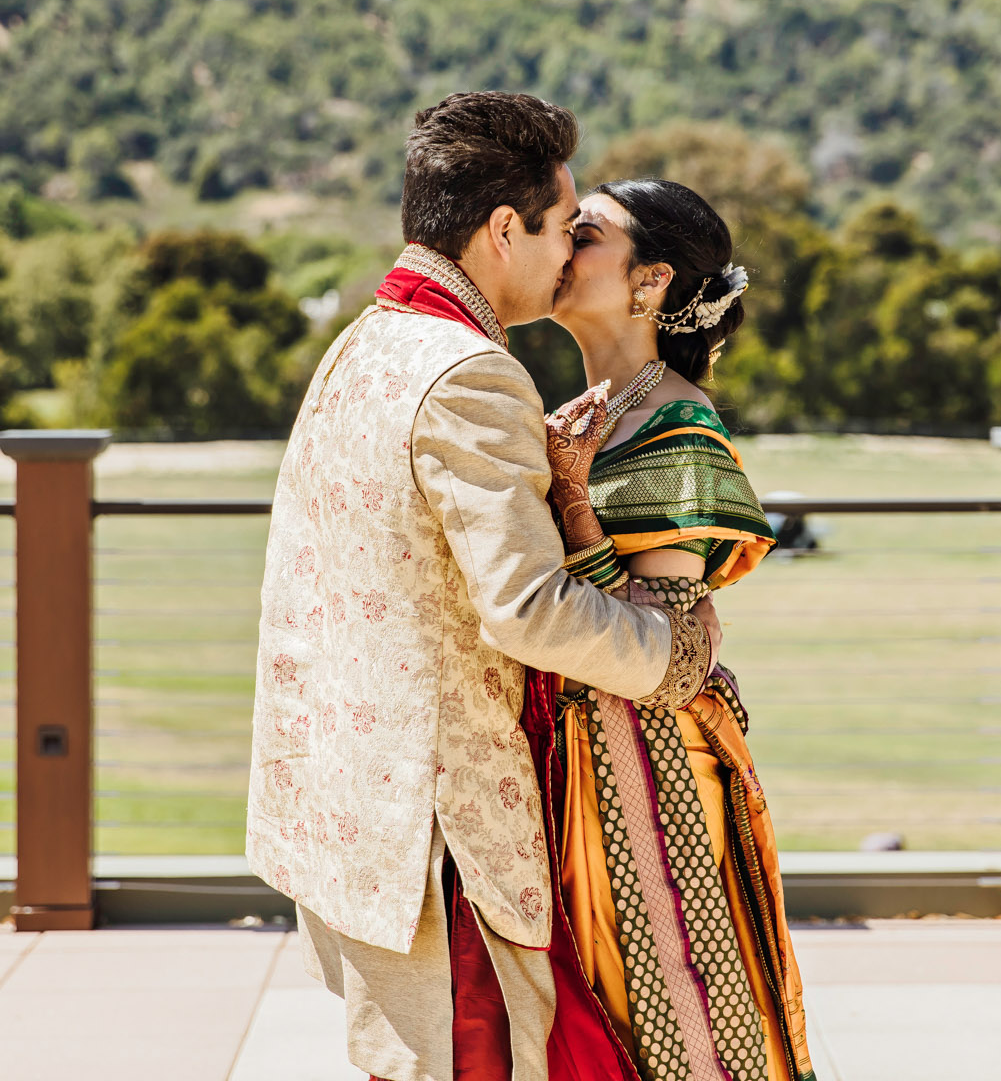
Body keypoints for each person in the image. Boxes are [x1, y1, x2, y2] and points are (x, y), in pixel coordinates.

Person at [248, 92, 721, 1081]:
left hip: (351, 818)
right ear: (504, 228)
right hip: (441, 840)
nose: (566, 257)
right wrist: (671, 651)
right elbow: (528, 608)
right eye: (561, 228)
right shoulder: (469, 373)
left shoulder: (360, 347)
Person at [537, 178, 816, 1081]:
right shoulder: (595, 412)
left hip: (644, 776)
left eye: (585, 233)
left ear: (649, 282)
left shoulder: (679, 430)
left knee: (676, 1021)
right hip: (571, 753)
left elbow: (665, 653)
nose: (560, 244)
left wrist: (574, 501)